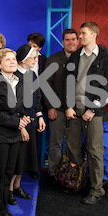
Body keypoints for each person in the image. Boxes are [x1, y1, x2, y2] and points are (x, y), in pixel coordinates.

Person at [64, 22, 108, 205]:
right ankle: (76, 184)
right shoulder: (75, 56)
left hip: (93, 111)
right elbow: (68, 83)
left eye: (83, 33)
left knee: (94, 151)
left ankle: (96, 190)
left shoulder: (106, 55)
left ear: (94, 34)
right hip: (74, 109)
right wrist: (69, 106)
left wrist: (93, 110)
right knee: (74, 148)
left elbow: (106, 86)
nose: (80, 37)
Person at [0, 49, 31, 216]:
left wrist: (24, 118)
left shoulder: (19, 83)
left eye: (14, 59)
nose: (12, 62)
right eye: (8, 59)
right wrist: (14, 122)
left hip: (14, 136)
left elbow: (20, 109)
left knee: (7, 174)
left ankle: (3, 207)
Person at [8, 44, 46, 205]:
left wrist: (40, 116)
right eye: (33, 57)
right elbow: (12, 105)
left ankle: (17, 185)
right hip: (18, 125)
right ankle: (8, 189)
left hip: (30, 122)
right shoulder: (13, 76)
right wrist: (21, 126)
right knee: (14, 159)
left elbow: (37, 99)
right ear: (23, 60)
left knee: (23, 158)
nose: (36, 60)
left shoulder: (33, 75)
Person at [44, 29, 78, 178]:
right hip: (57, 108)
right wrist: (50, 106)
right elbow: (45, 84)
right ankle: (54, 173)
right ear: (62, 42)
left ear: (78, 40)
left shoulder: (82, 59)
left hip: (77, 110)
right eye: (67, 40)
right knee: (55, 144)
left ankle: (73, 174)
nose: (70, 42)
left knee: (74, 145)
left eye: (73, 39)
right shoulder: (54, 59)